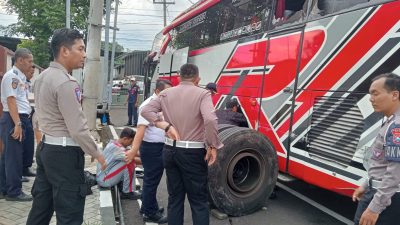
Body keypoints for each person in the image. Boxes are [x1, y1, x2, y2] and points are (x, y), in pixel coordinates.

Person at [26, 28, 107, 225]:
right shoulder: (66, 83)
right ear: (64, 51)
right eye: (80, 48)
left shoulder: (42, 77)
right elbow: (78, 128)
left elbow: (37, 118)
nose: (84, 54)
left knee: (41, 207)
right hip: (65, 155)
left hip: (46, 149)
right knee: (69, 211)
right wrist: (97, 153)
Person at [141, 63, 223, 225]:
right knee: (198, 201)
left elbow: (145, 110)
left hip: (170, 150)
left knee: (175, 198)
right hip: (193, 153)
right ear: (197, 78)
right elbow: (211, 119)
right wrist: (213, 145)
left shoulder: (165, 93)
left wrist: (165, 125)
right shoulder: (203, 94)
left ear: (179, 77)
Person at [352, 73, 400, 225]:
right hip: (381, 193)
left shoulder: (396, 127)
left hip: (383, 197)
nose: (371, 99)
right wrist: (367, 184)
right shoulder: (390, 122)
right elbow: (383, 164)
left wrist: (374, 208)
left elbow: (395, 173)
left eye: (375, 93)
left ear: (394, 95)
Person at [125, 79, 172, 223]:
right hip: (152, 148)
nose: (169, 95)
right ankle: (150, 213)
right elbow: (140, 131)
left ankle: (147, 206)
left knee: (153, 180)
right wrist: (133, 151)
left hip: (159, 147)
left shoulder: (163, 105)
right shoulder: (148, 106)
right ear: (157, 92)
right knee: (151, 181)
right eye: (166, 92)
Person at [0, 48, 35, 201]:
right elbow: (11, 100)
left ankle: (3, 187)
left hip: (18, 118)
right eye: (30, 61)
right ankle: (14, 192)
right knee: (13, 157)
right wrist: (18, 124)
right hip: (14, 119)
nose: (31, 65)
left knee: (9, 156)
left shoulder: (20, 77)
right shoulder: (12, 77)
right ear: (20, 60)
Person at [96, 127, 141, 199]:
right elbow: (132, 157)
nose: (131, 144)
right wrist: (149, 161)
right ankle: (127, 192)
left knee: (126, 160)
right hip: (104, 180)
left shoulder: (115, 143)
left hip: (103, 176)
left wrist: (148, 155)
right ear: (125, 139)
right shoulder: (117, 149)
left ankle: (123, 186)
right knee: (129, 162)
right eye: (131, 141)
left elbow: (133, 152)